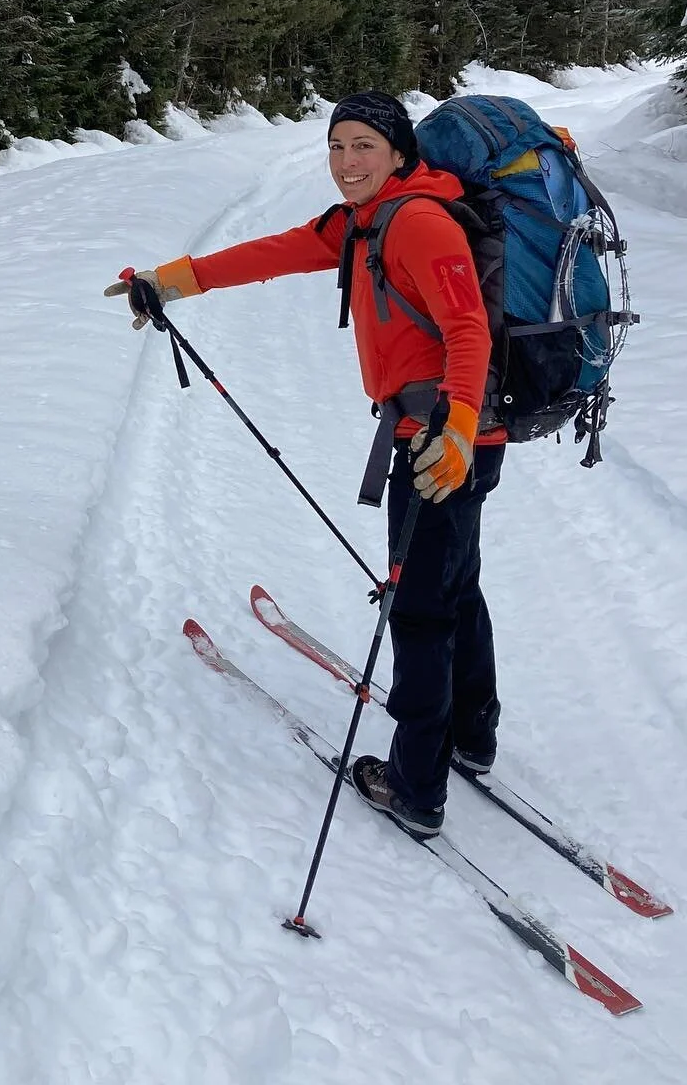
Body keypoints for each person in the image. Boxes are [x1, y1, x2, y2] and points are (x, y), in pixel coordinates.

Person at [106, 90, 506, 837]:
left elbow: (468, 328)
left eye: (364, 147)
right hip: (448, 436)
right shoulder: (364, 223)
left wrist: (450, 425)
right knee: (456, 584)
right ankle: (472, 738)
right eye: (337, 146)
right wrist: (168, 280)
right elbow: (269, 255)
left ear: (398, 153)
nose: (347, 162)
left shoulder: (417, 220)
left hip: (440, 443)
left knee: (418, 613)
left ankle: (417, 788)